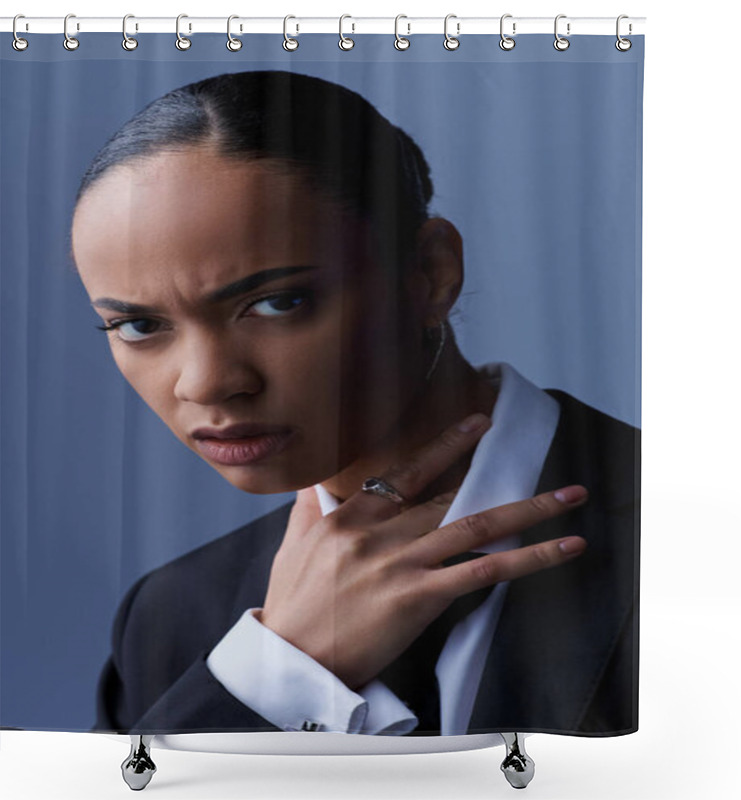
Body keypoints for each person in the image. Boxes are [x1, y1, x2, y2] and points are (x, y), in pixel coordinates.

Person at [69, 70, 639, 738]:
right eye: (137, 326)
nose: (204, 384)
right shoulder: (167, 618)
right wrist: (276, 675)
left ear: (430, 273)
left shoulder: (697, 537)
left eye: (279, 302)